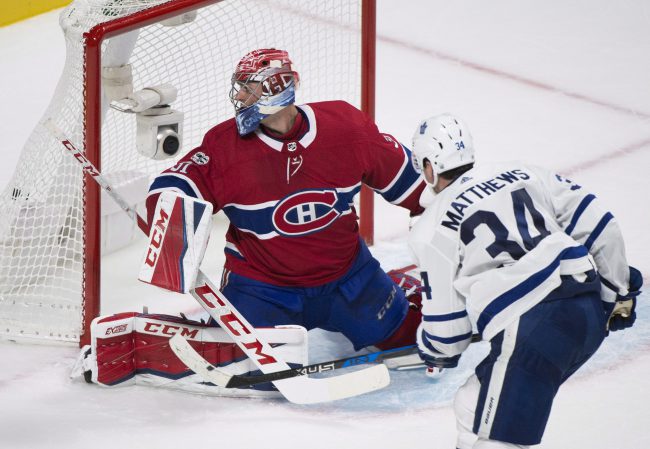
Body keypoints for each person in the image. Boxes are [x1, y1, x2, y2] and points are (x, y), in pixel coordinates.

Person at [145, 48, 427, 355]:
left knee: (408, 337)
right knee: (236, 361)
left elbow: (418, 187)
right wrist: (168, 209)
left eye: (247, 87)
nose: (238, 96)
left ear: (275, 88)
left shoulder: (345, 129)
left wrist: (452, 220)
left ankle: (399, 287)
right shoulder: (226, 146)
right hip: (264, 288)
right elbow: (179, 182)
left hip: (348, 278)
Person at [408, 114, 642, 449]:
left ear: (429, 167)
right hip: (587, 312)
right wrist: (616, 294)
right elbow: (601, 224)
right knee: (472, 403)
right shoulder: (523, 172)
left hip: (531, 328)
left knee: (500, 441)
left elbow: (448, 336)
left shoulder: (429, 228)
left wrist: (430, 349)